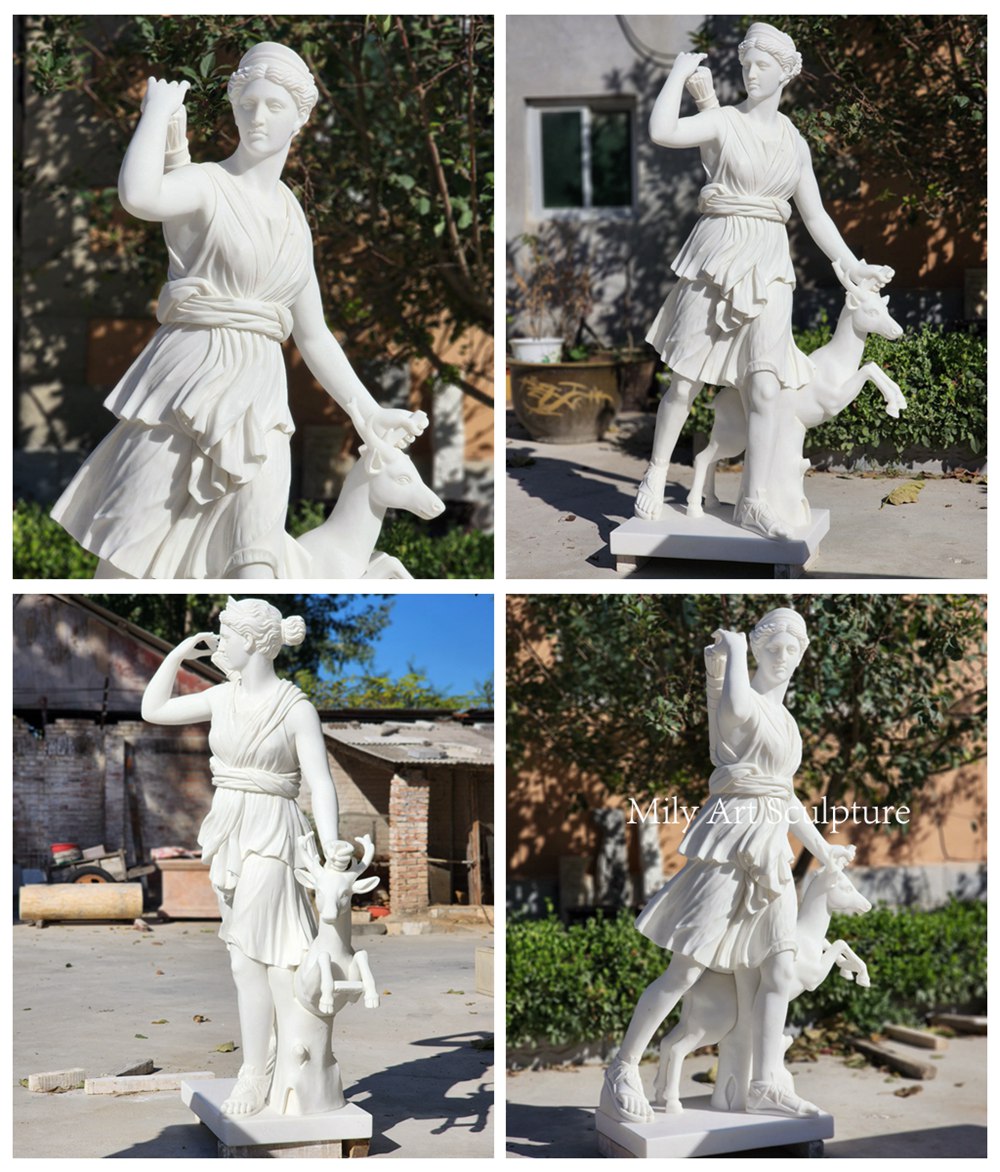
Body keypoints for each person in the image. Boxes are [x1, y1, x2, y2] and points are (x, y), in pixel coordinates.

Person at [52, 42, 427, 578]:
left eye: (274, 106)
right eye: (247, 104)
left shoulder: (294, 217)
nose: (257, 117)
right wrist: (156, 115)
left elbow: (314, 333)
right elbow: (139, 196)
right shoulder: (208, 184)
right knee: (133, 545)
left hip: (260, 400)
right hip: (184, 385)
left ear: (300, 118)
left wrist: (366, 413)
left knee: (256, 552)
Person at [634, 24, 892, 537]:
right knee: (685, 380)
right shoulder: (724, 121)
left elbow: (815, 217)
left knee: (767, 388)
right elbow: (663, 132)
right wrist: (678, 74)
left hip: (771, 264)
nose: (750, 74)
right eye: (746, 65)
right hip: (716, 256)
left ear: (785, 72)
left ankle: (753, 501)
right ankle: (657, 473)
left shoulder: (795, 143)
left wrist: (852, 263)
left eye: (761, 66)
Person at [601, 608, 853, 1121]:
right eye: (773, 648)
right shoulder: (738, 700)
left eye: (793, 650)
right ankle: (623, 1067)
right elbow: (736, 707)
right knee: (685, 969)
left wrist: (823, 851)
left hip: (772, 852)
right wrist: (734, 651)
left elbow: (785, 797)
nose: (784, 659)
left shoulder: (786, 720)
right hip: (729, 844)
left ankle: (764, 1083)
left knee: (780, 971)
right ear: (758, 649)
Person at [141, 597, 342, 1117]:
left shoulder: (296, 708)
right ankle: (267, 1061)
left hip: (274, 830)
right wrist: (181, 651)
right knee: (242, 957)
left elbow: (319, 781)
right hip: (230, 828)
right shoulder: (221, 698)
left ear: (251, 641)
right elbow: (153, 709)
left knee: (268, 956)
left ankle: (262, 1072)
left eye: (225, 634)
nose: (219, 644)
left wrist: (332, 842)